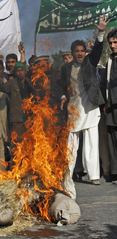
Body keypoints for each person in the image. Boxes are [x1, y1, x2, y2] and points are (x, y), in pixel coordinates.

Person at [60, 15, 109, 198]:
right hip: (74, 107)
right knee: (71, 142)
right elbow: (60, 86)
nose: (80, 53)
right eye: (77, 51)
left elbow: (97, 50)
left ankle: (94, 176)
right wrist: (64, 96)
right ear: (72, 53)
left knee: (91, 141)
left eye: (82, 50)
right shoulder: (65, 68)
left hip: (90, 106)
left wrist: (101, 32)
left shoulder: (90, 62)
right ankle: (68, 173)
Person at [104, 29, 117, 183]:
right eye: (111, 43)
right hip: (111, 105)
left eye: (115, 42)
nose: (113, 46)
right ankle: (114, 172)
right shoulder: (110, 60)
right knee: (112, 138)